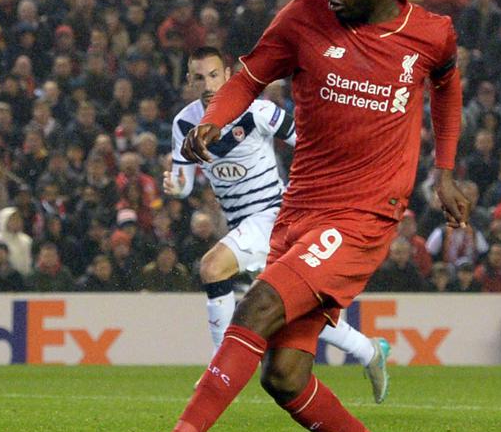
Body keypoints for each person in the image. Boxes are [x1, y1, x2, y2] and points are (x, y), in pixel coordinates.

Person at [104, 0, 465, 432]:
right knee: (285, 376)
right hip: (299, 212)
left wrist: (445, 171)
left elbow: (448, 86)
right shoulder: (303, 17)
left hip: (363, 217)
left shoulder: (429, 33)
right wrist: (215, 116)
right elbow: (247, 77)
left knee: (257, 304)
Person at [166, 46, 391, 402]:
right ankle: (368, 351)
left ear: (228, 75)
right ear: (188, 81)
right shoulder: (184, 124)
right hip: (242, 224)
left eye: (213, 75)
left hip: (276, 214)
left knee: (212, 267)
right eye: (198, 77)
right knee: (281, 313)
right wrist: (175, 187)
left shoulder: (257, 111)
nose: (207, 84)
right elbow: (183, 183)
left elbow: (308, 144)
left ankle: (219, 369)